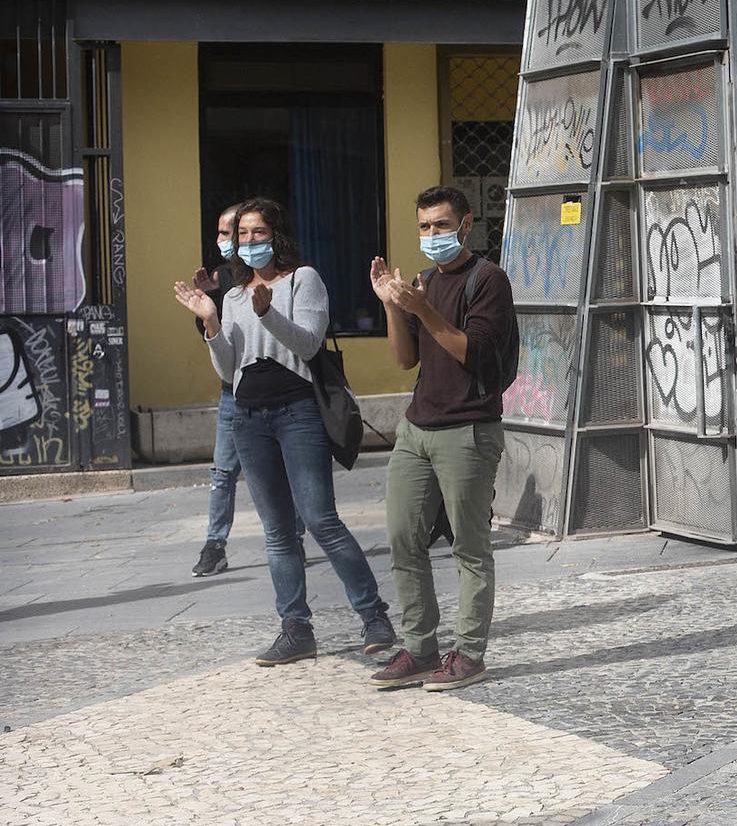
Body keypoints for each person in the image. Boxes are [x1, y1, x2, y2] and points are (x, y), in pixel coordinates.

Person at [172, 197, 396, 666]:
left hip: (298, 412)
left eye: (258, 233)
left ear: (277, 236)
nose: (249, 242)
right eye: (242, 235)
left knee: (320, 519)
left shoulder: (303, 280)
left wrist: (268, 313)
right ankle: (295, 628)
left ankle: (374, 615)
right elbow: (229, 367)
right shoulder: (232, 297)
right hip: (248, 419)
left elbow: (310, 343)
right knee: (277, 533)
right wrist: (211, 322)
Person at [367, 185, 517, 694]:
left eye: (441, 225)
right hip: (416, 428)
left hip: (468, 428)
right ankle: (420, 646)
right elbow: (405, 359)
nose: (432, 235)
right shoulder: (421, 281)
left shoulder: (488, 280)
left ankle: (470, 653)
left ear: (466, 224)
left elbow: (472, 353)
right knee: (403, 537)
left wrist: (424, 308)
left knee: (469, 546)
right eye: (425, 226)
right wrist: (392, 305)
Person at [191, 203, 242, 578]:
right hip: (233, 391)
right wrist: (207, 308)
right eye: (220, 233)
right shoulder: (220, 276)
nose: (221, 241)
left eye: (227, 233)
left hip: (276, 392)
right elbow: (213, 337)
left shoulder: (280, 275)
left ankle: (294, 535)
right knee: (223, 472)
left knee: (280, 472)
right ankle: (215, 544)